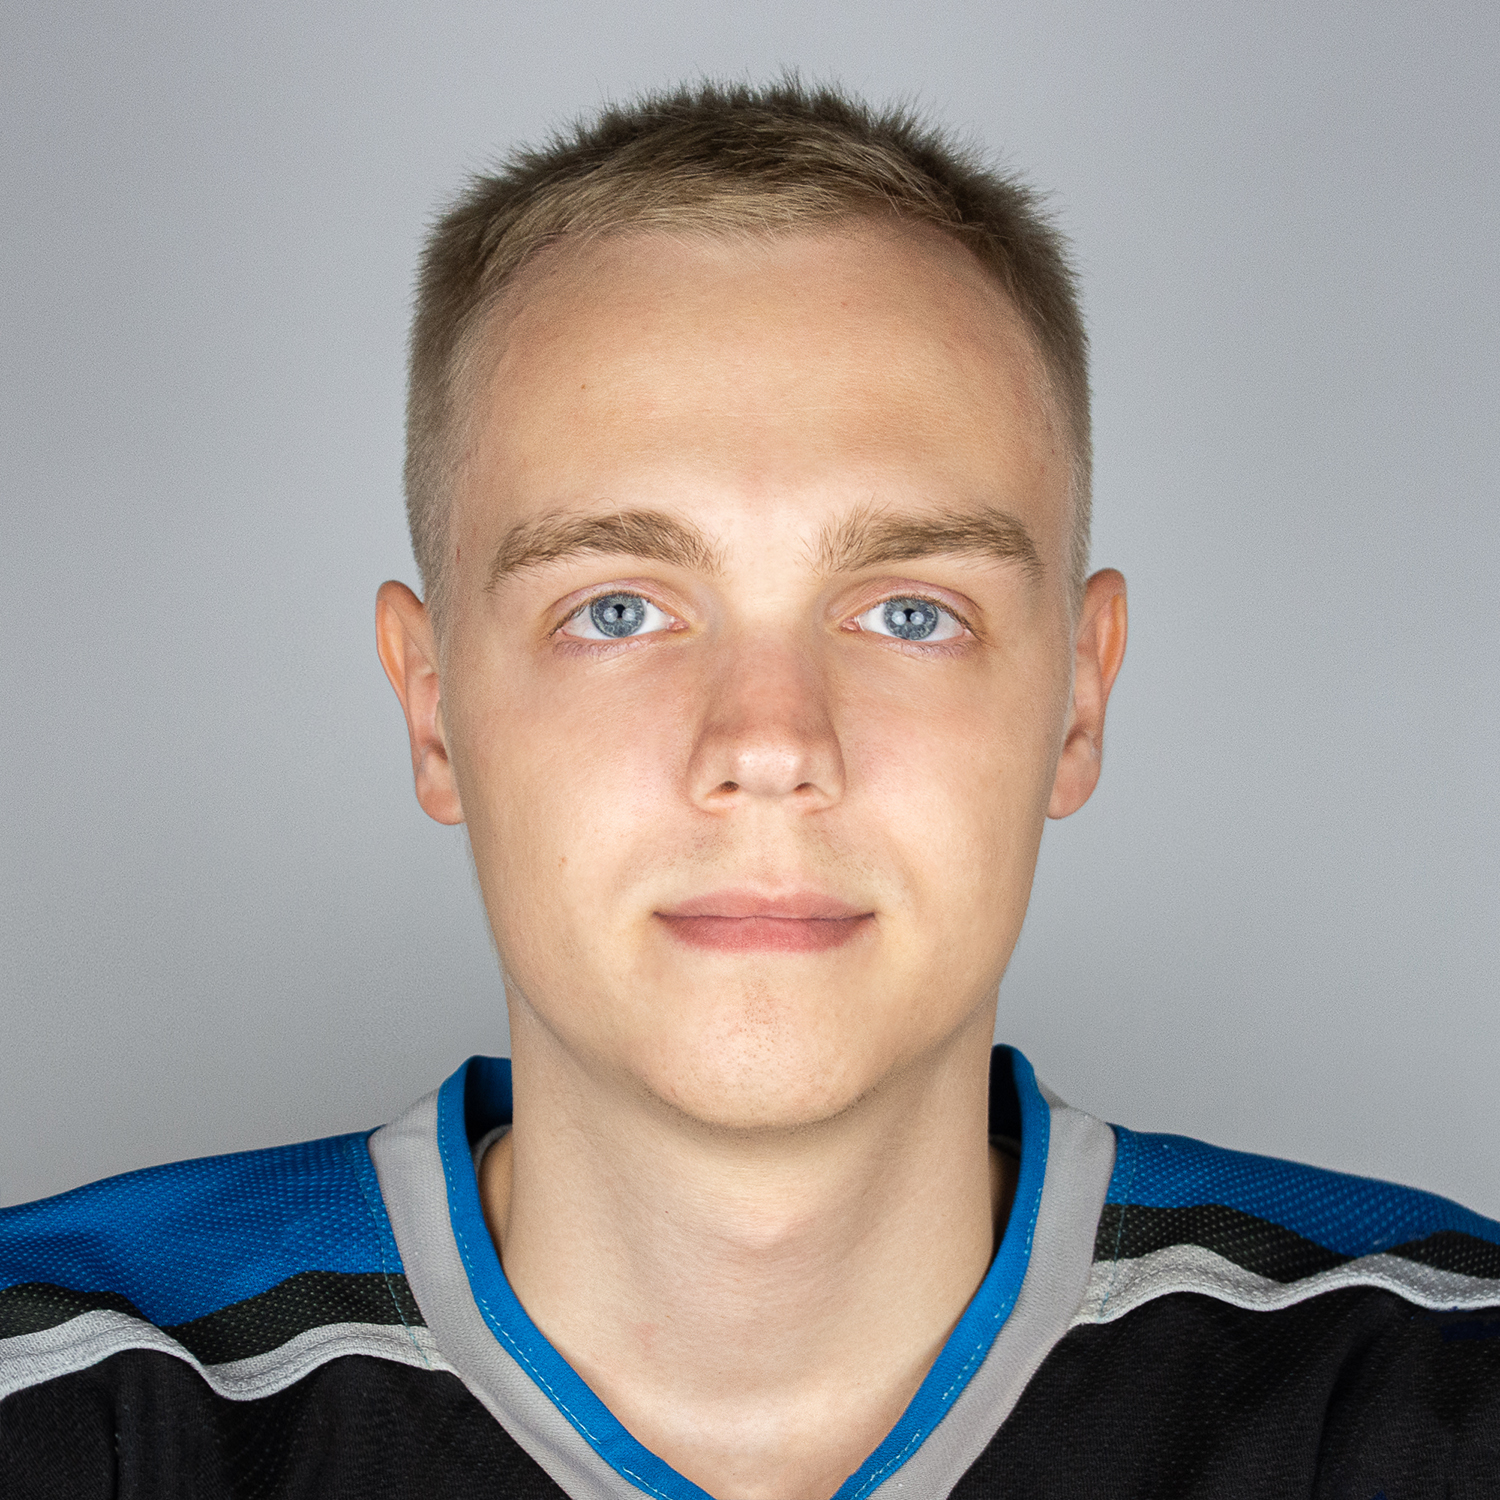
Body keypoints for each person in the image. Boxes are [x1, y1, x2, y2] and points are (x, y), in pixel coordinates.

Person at [2, 79, 1497, 1500]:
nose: (771, 741)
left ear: (1079, 698)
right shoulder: (63, 1402)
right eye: (617, 610)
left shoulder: (1437, 1391)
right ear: (435, 708)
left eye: (909, 611)